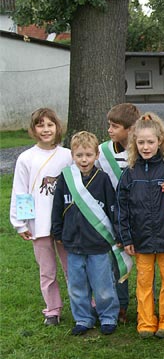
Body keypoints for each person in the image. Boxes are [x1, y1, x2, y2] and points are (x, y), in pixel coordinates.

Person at [116, 113, 164, 339]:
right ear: (134, 143)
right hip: (141, 239)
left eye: (150, 142)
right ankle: (145, 322)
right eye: (141, 142)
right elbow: (121, 209)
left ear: (160, 141)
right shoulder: (129, 173)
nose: (145, 147)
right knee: (144, 283)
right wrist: (126, 238)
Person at [51, 131, 119, 336]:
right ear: (72, 155)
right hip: (73, 243)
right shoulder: (65, 178)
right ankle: (83, 318)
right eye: (79, 155)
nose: (84, 160)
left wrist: (117, 232)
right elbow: (57, 207)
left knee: (103, 284)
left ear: (96, 155)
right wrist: (57, 230)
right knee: (77, 285)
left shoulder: (103, 179)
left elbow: (112, 208)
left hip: (98, 244)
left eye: (88, 155)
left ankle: (108, 316)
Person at [10, 108, 72, 326]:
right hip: (39, 224)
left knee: (72, 267)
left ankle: (84, 304)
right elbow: (21, 191)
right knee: (47, 271)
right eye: (40, 125)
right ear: (34, 129)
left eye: (50, 125)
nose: (46, 129)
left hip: (65, 224)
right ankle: (53, 309)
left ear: (57, 127)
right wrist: (20, 223)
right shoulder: (26, 158)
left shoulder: (67, 155)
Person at [96, 102, 140, 324]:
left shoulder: (144, 147)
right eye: (109, 125)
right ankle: (121, 306)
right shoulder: (103, 152)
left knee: (144, 264)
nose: (109, 130)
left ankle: (146, 307)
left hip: (142, 216)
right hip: (117, 217)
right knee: (118, 262)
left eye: (114, 126)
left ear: (130, 129)